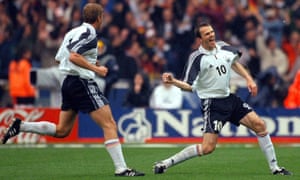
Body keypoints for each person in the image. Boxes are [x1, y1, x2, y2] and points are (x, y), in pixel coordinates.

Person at [1, 3, 144, 177]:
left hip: (68, 82)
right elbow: (73, 56)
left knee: (62, 130)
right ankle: (121, 168)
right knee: (109, 124)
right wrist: (96, 69)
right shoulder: (90, 34)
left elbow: (60, 59)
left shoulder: (72, 32)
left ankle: (21, 125)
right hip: (81, 81)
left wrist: (91, 62)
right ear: (99, 18)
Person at [153, 22, 292, 176]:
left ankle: (275, 168)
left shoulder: (223, 46)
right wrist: (173, 81)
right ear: (200, 39)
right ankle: (166, 163)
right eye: (207, 34)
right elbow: (188, 85)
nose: (211, 35)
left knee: (260, 125)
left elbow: (234, 63)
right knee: (207, 148)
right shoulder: (197, 58)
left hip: (229, 99)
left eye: (212, 32)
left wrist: (249, 79)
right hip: (213, 104)